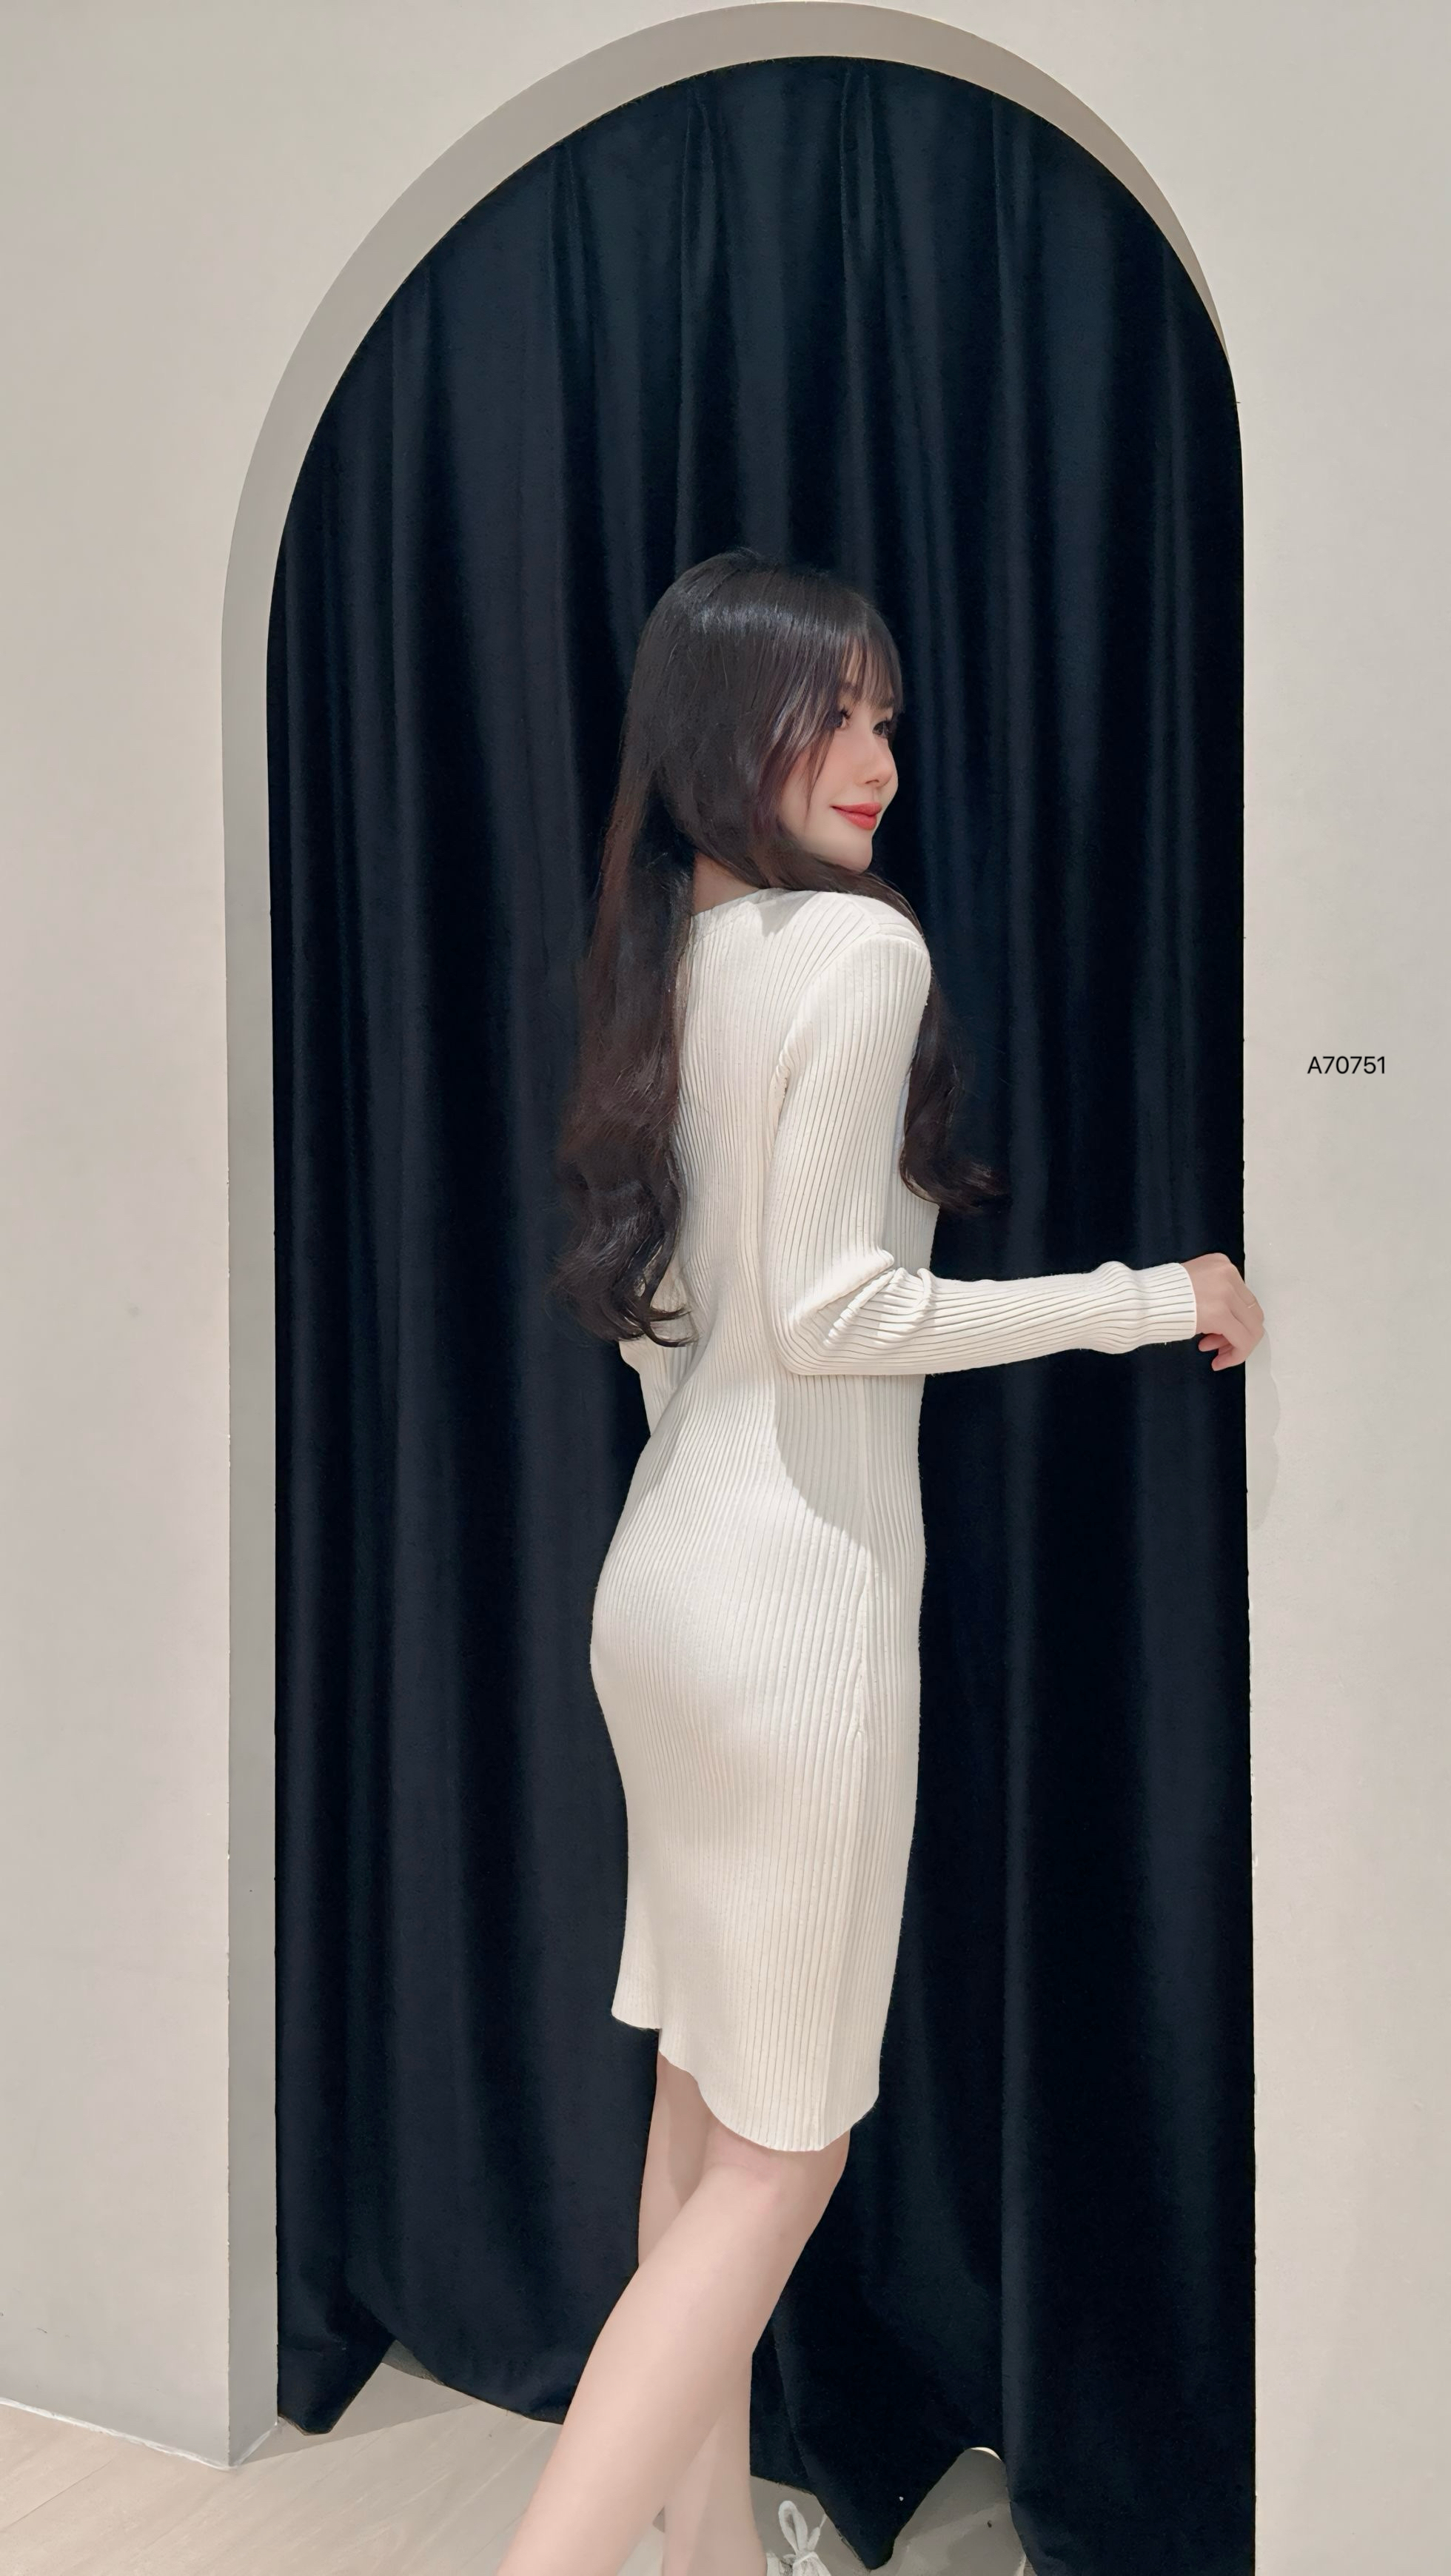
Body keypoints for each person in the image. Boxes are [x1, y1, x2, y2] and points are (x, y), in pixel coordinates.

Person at [518, 551, 1264, 2576]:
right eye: (832, 714)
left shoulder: (674, 959)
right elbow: (835, 1313)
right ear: (724, 729)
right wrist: (1157, 1295)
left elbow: (669, 1325)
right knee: (786, 2155)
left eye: (885, 719)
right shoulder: (858, 956)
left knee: (702, 2108)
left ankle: (697, 2559)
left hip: (659, 1586)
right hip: (794, 1610)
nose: (877, 759)